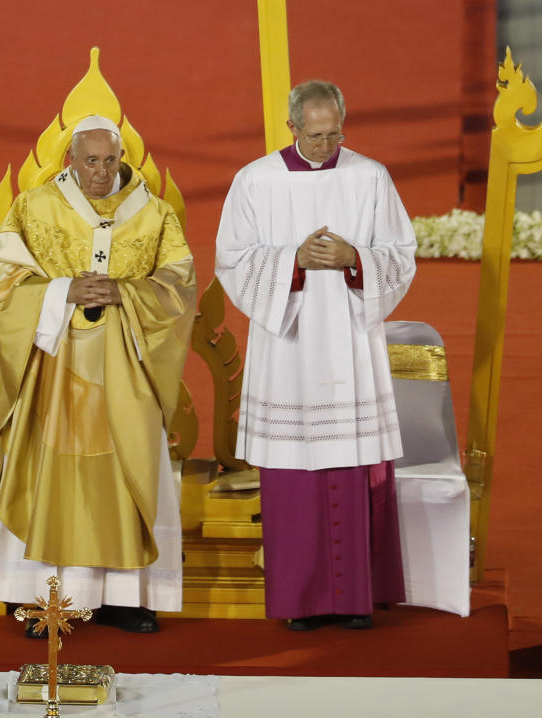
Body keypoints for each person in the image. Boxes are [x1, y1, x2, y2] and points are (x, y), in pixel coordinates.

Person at [0, 115, 196, 635]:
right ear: (71, 161)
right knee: (47, 474)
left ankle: (125, 597)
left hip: (126, 365)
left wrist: (125, 294)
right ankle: (37, 595)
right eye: (90, 162)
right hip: (55, 362)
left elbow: (178, 285)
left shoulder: (154, 214)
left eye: (110, 161)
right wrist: (61, 292)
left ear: (121, 158)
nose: (101, 173)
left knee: (125, 471)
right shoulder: (35, 207)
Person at [214, 80, 416, 631]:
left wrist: (355, 258)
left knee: (354, 463)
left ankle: (355, 600)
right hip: (291, 348)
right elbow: (231, 260)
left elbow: (401, 254)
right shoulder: (256, 181)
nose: (327, 145)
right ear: (293, 128)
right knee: (294, 471)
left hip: (351, 341)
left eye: (335, 134)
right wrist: (292, 261)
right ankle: (300, 599)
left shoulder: (370, 176)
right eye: (316, 134)